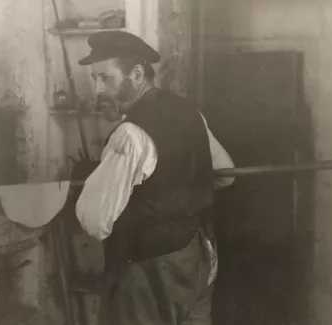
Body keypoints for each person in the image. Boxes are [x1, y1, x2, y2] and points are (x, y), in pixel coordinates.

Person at [75, 31, 235, 325]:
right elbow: (225, 175)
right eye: (94, 79)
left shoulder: (130, 135)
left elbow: (95, 221)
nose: (97, 89)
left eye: (104, 78)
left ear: (136, 74)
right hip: (195, 255)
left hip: (148, 269)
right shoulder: (190, 112)